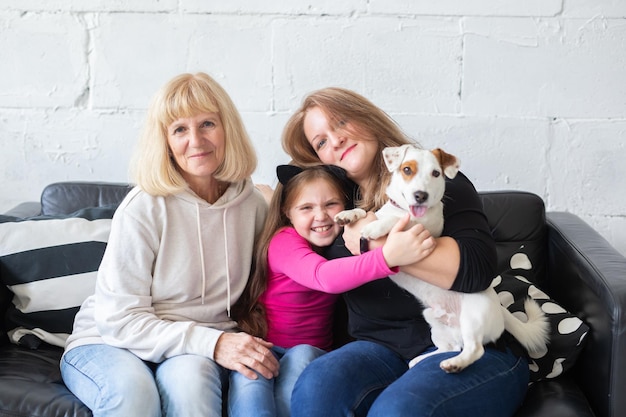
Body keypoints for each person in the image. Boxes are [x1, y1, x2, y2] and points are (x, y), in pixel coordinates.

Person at [282, 87, 530, 417]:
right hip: (380, 351)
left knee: (398, 409)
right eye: (321, 141)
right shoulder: (332, 208)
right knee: (316, 387)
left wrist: (377, 244)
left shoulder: (434, 182)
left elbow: (476, 271)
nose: (336, 140)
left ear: (368, 119)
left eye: (341, 122)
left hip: (470, 344)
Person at [60, 72, 279, 417]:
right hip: (109, 340)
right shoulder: (144, 207)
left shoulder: (252, 206)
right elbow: (119, 320)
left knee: (193, 386)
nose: (196, 140)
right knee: (135, 396)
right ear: (164, 141)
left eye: (207, 123)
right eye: (179, 129)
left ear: (228, 129)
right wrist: (215, 343)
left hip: (191, 346)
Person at [229, 164, 427, 417]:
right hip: (266, 347)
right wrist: (386, 258)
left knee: (301, 362)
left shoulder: (341, 242)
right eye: (306, 208)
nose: (321, 216)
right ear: (287, 212)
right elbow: (323, 277)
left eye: (331, 204)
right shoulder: (283, 240)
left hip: (312, 354)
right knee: (250, 390)